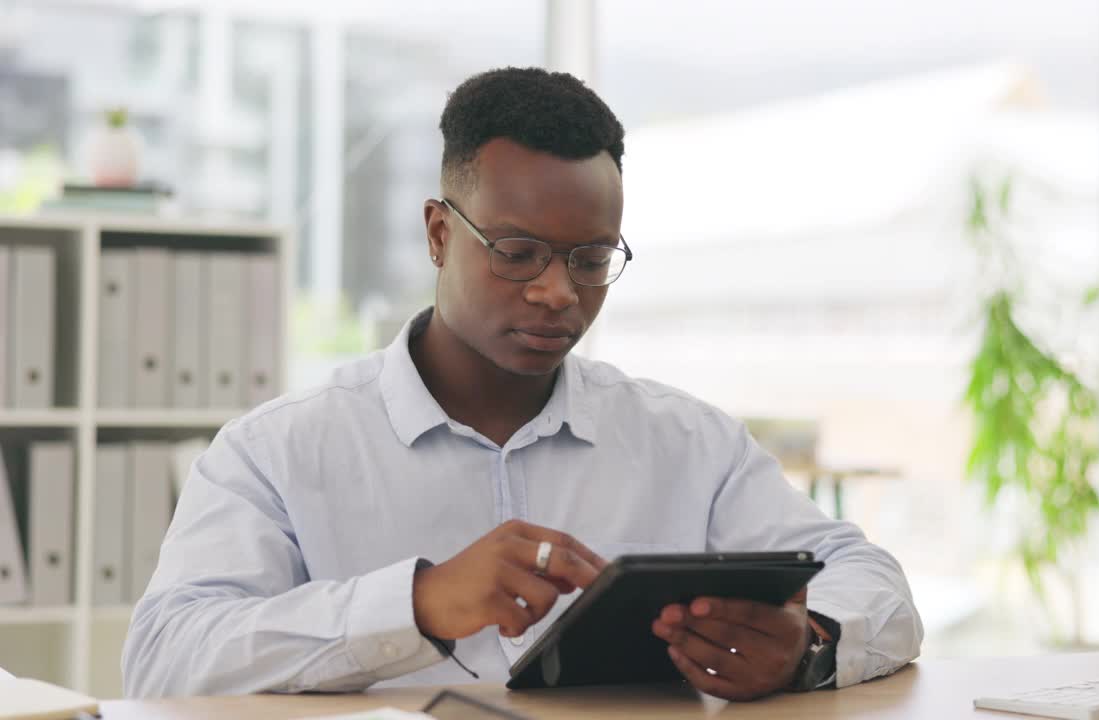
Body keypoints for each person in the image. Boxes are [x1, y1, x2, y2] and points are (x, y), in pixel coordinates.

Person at [122, 67, 922, 701]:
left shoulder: (687, 442)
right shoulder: (278, 450)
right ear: (440, 234)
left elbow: (872, 582)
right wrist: (416, 605)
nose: (557, 293)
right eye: (517, 252)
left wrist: (811, 644)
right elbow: (163, 661)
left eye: (591, 259)